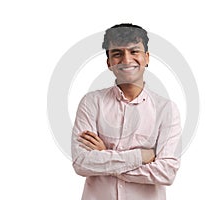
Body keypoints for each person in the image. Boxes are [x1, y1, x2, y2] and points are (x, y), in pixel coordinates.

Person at [71, 23, 182, 200]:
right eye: (117, 53)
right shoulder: (91, 103)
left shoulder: (166, 110)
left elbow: (166, 173)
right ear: (109, 63)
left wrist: (104, 156)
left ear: (146, 58)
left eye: (134, 51)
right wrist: (141, 156)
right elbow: (81, 163)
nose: (127, 60)